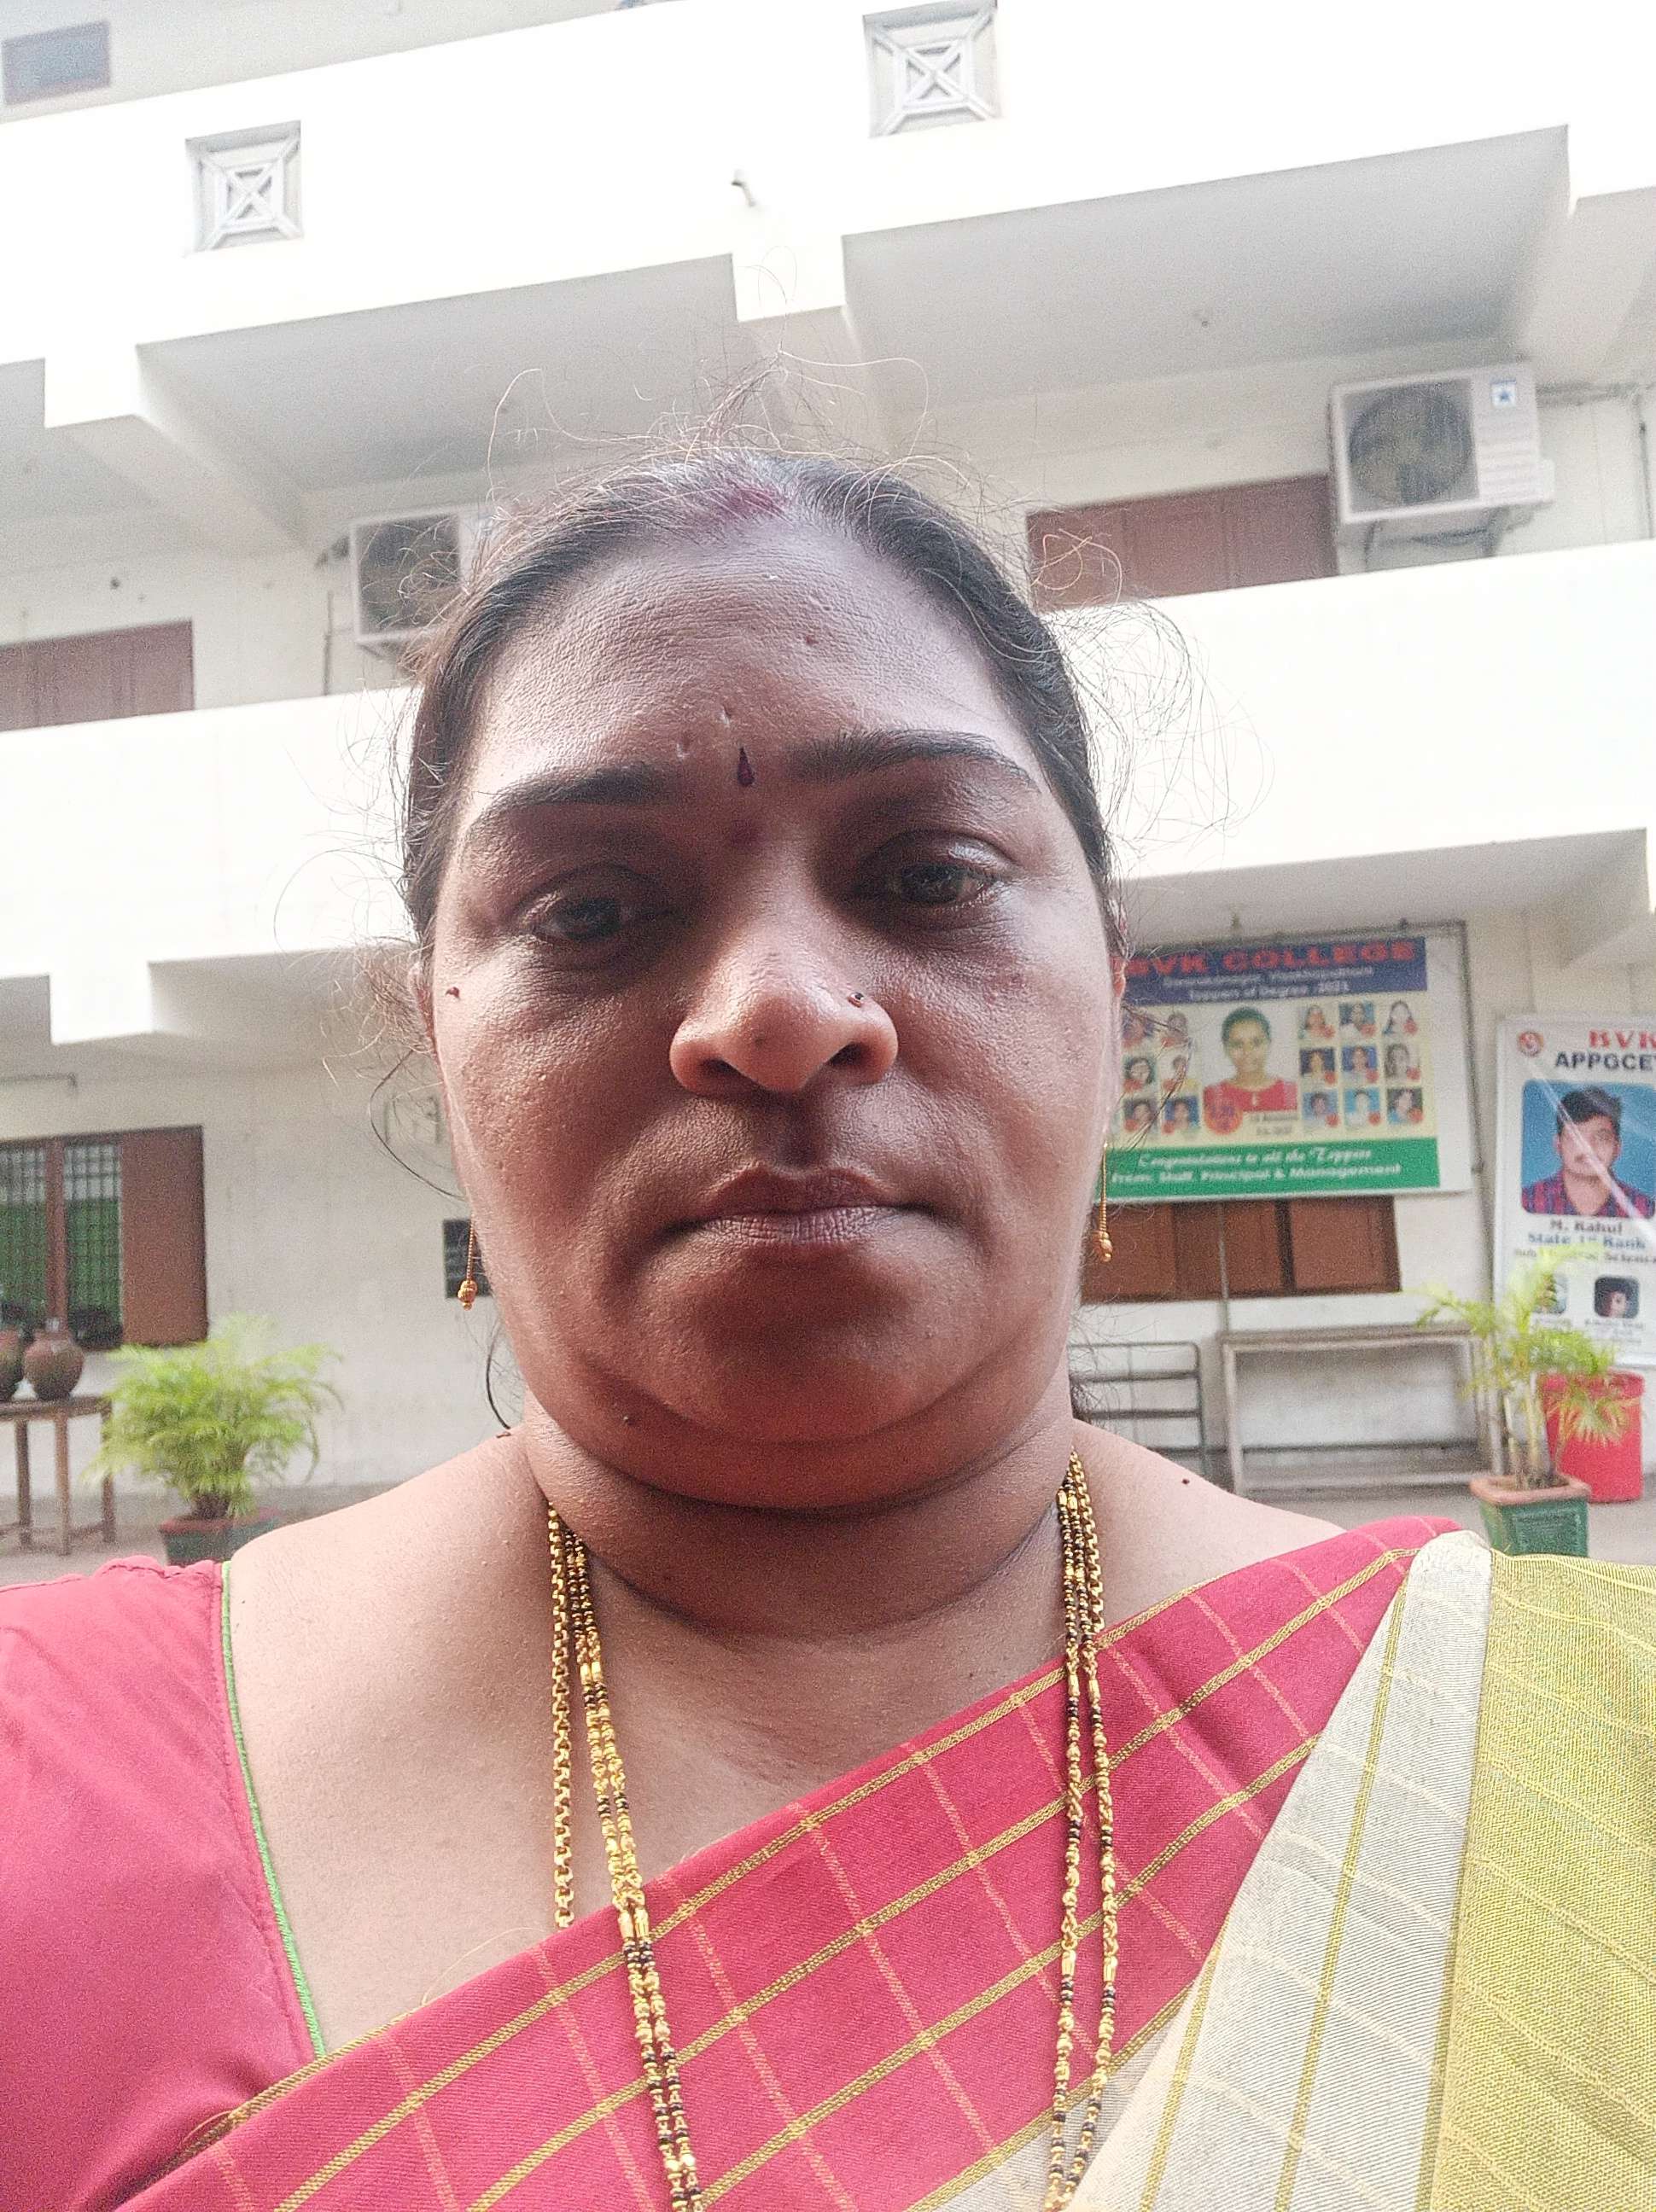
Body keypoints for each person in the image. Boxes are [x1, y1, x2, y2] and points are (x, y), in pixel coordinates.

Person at [3, 450, 1647, 2212]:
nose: (778, 1010)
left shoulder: (1570, 1761)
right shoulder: (56, 1791)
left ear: (1112, 984)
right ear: (440, 1035)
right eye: (591, 911)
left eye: (929, 873)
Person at [1521, 1086, 1656, 1220]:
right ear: (1558, 1145)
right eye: (1576, 1137)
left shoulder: (1644, 1209)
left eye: (1601, 1137)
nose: (1588, 1147)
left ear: (1617, 1148)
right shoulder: (1528, 1202)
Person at [1200, 1006, 1297, 1130]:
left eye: (1256, 1043)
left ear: (1269, 1044)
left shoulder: (1292, 1093)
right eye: (1237, 1044)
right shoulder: (1210, 1096)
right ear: (1226, 1048)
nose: (1247, 1052)